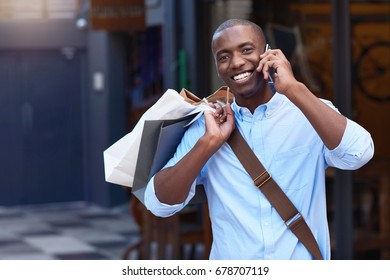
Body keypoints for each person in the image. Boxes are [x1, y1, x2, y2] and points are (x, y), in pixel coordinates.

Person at [144, 19, 374, 260]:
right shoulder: (208, 125)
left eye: (246, 50)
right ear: (217, 67)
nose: (236, 62)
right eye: (223, 57)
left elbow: (358, 153)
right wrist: (207, 144)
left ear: (268, 53)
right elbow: (158, 204)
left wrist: (294, 88)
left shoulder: (309, 112)